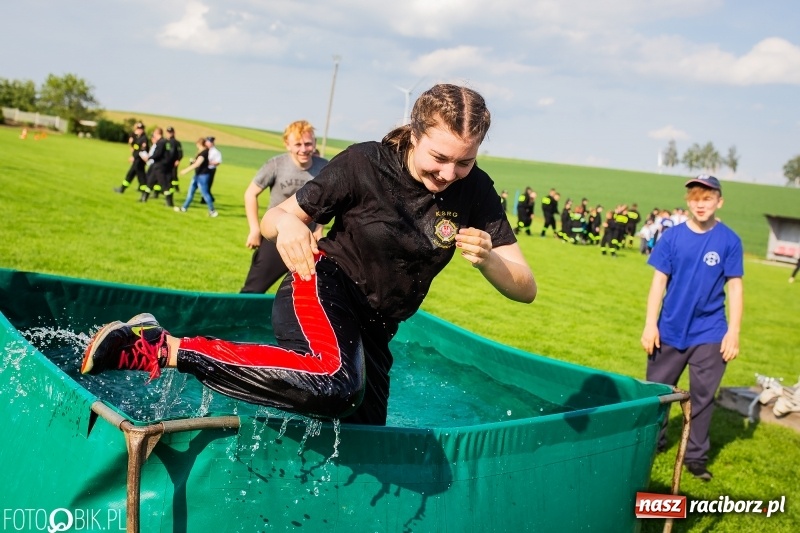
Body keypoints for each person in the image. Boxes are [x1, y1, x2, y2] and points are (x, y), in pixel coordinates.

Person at [80, 84, 537, 426]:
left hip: (377, 328)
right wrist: (290, 226)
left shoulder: (476, 190)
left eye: (464, 162)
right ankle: (162, 346)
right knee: (337, 386)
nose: (449, 174)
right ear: (416, 135)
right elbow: (277, 216)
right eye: (439, 157)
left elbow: (525, 287)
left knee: (366, 437)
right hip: (323, 284)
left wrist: (489, 259)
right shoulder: (365, 163)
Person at [641, 174, 743, 481]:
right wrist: (650, 324)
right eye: (695, 199)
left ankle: (696, 457)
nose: (701, 205)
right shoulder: (672, 237)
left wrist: (733, 332)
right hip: (669, 329)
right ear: (688, 202)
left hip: (710, 332)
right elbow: (658, 282)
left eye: (707, 199)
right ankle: (653, 444)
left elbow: (735, 288)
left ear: (719, 202)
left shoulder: (730, 241)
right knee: (658, 394)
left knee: (702, 397)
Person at [240, 120, 328, 293]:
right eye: (298, 144)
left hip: (308, 241)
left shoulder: (324, 167)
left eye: (308, 144)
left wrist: (319, 229)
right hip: (275, 238)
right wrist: (254, 229)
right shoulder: (276, 165)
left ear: (315, 143)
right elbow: (250, 194)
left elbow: (328, 202)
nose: (304, 149)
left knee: (310, 295)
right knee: (253, 290)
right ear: (287, 144)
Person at [175, 138, 218, 217]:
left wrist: (185, 171)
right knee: (190, 192)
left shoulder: (204, 153)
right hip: (197, 175)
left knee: (205, 193)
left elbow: (197, 164)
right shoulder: (201, 152)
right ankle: (184, 207)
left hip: (203, 176)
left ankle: (212, 211)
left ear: (199, 144)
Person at [140, 127, 174, 207]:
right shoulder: (165, 142)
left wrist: (149, 157)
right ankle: (144, 198)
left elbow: (158, 154)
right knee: (150, 182)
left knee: (164, 184)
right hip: (158, 166)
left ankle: (169, 203)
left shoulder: (160, 142)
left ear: (157, 133)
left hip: (159, 166)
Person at [114, 122, 148, 194]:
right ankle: (122, 189)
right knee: (130, 175)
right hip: (136, 160)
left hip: (140, 161)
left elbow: (142, 151)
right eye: (138, 129)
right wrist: (131, 143)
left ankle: (144, 193)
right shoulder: (138, 137)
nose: (139, 130)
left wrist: (134, 157)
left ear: (143, 130)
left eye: (140, 129)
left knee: (141, 177)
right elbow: (134, 147)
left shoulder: (144, 139)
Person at [202, 137, 222, 204]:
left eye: (209, 142)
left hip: (211, 169)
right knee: (203, 184)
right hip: (204, 169)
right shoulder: (205, 150)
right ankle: (209, 198)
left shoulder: (216, 152)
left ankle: (205, 199)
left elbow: (218, 162)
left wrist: (208, 163)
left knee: (208, 185)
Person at [166, 126, 183, 193]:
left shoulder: (176, 142)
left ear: (173, 133)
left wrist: (178, 160)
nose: (169, 134)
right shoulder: (165, 141)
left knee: (174, 175)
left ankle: (176, 188)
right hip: (165, 161)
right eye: (168, 132)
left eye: (170, 132)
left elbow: (180, 153)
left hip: (173, 162)